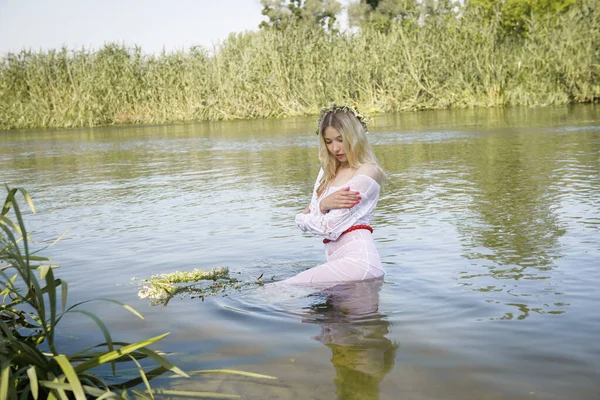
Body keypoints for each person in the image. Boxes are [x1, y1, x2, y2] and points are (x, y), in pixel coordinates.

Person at [282, 104, 386, 285]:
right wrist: (323, 205)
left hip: (359, 264)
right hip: (338, 263)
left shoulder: (367, 172)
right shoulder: (327, 172)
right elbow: (311, 217)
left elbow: (329, 227)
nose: (336, 148)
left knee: (277, 291)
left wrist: (317, 209)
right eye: (329, 142)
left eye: (340, 139)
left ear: (355, 137)